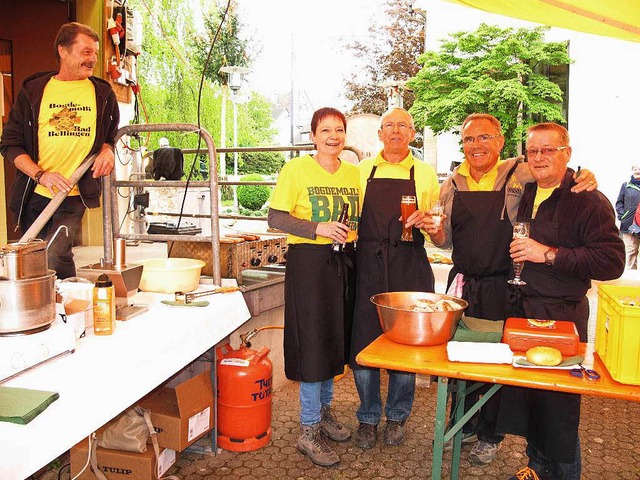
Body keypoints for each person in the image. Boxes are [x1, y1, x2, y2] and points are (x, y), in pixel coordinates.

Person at [426, 114, 597, 466]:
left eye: (485, 138)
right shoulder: (452, 183)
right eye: (469, 139)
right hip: (466, 286)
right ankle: (463, 425)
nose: (477, 146)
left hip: (509, 285)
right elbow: (445, 241)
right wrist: (434, 233)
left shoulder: (520, 172)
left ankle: (491, 435)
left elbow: (558, 174)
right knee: (461, 359)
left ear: (501, 141)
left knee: (500, 365)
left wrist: (585, 174)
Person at [501, 123, 625, 480]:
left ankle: (565, 475)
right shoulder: (527, 190)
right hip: (524, 311)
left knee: (558, 410)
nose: (539, 157)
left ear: (567, 153)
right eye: (533, 151)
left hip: (561, 318)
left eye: (548, 150)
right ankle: (536, 471)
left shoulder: (588, 199)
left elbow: (611, 263)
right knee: (533, 403)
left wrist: (549, 255)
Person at [268, 107, 359, 467]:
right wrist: (317, 228)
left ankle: (323, 414)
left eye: (339, 130)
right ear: (313, 134)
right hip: (308, 263)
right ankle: (307, 429)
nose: (333, 136)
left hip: (343, 263)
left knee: (334, 339)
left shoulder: (353, 173)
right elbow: (275, 217)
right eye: (325, 130)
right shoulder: (296, 169)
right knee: (313, 343)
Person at [349, 107, 440, 449]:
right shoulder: (361, 170)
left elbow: (436, 227)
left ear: (413, 133)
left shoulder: (426, 173)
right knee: (363, 340)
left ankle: (398, 416)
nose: (396, 131)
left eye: (403, 126)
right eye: (390, 126)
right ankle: (368, 417)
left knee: (406, 342)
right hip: (368, 263)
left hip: (409, 265)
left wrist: (431, 223)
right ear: (380, 134)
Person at [0, 22, 119, 279]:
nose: (93, 60)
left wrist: (108, 151)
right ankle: (44, 305)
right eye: (86, 52)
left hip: (73, 192)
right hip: (35, 191)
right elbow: (10, 144)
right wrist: (41, 175)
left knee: (56, 251)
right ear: (63, 51)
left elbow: (109, 137)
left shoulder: (103, 93)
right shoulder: (33, 91)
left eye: (96, 53)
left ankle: (67, 304)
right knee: (32, 255)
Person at [615, 164, 640, 269]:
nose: (637, 171)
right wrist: (623, 216)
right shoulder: (626, 185)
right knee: (631, 251)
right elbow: (619, 203)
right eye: (635, 169)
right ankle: (631, 278)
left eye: (639, 169)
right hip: (629, 224)